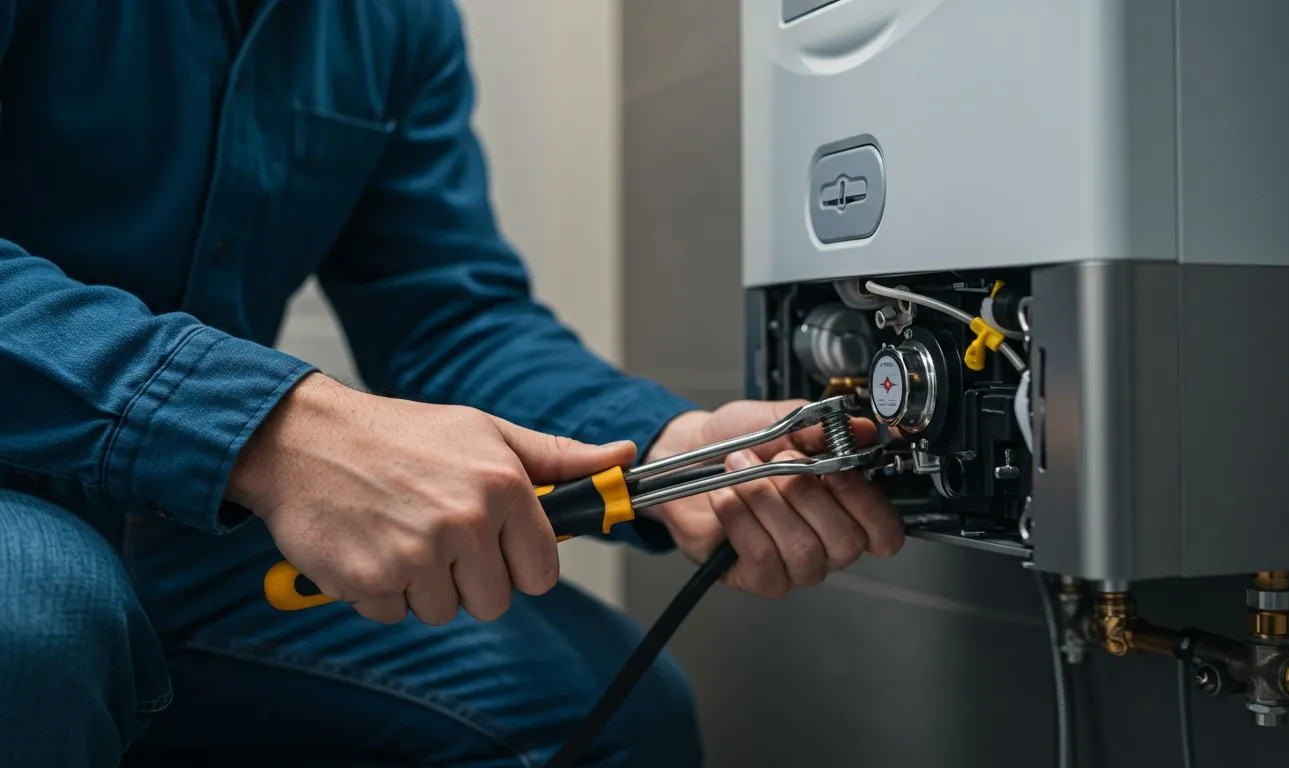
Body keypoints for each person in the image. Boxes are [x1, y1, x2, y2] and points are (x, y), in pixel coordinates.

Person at [0, 2, 904, 766]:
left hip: (198, 525)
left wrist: (668, 445)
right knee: (35, 624)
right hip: (27, 487)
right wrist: (272, 432)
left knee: (617, 714)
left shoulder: (395, 21)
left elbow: (444, 316)